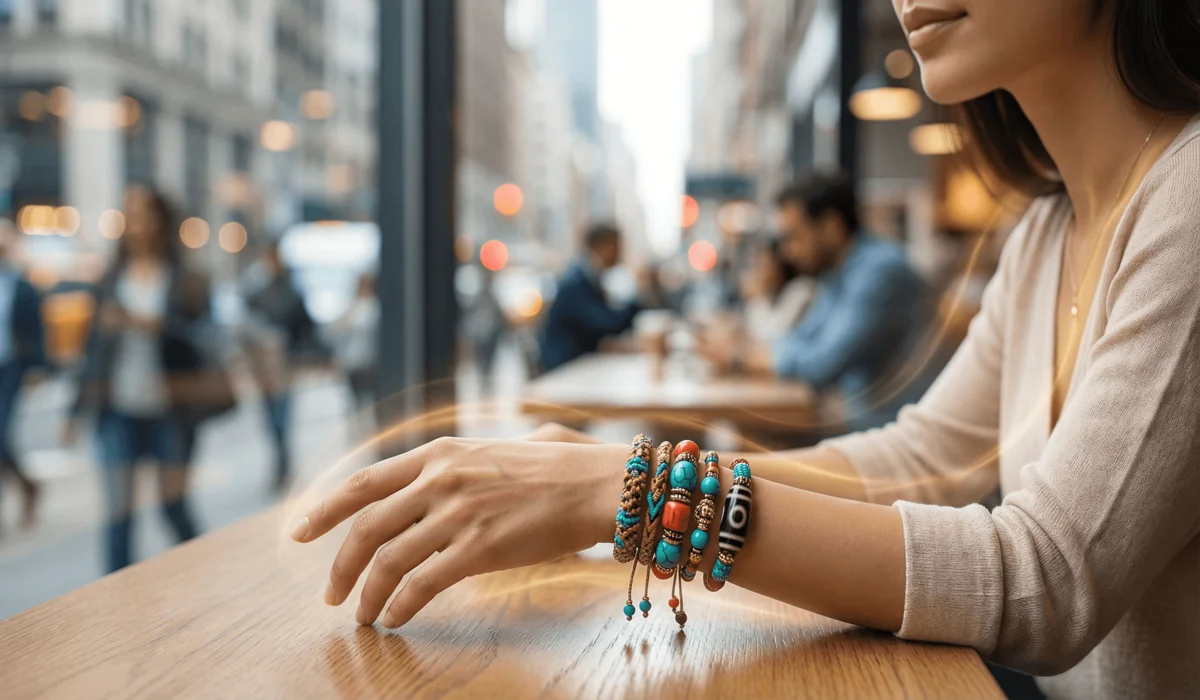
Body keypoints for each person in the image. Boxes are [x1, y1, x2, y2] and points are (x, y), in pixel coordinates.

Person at [292, 1, 1200, 697]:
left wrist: (633, 496)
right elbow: (921, 460)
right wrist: (626, 478)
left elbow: (1045, 582)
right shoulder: (1044, 230)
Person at [706, 173, 927, 431]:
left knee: (743, 438)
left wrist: (740, 356)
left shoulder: (880, 271)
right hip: (853, 416)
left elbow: (822, 365)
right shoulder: (838, 273)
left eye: (794, 237)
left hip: (885, 426)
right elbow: (800, 339)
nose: (787, 252)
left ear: (831, 227)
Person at [67, 186, 208, 573]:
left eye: (143, 213)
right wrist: (75, 409)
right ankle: (116, 597)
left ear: (161, 220)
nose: (134, 222)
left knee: (173, 507)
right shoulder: (111, 278)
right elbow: (93, 350)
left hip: (170, 409)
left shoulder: (184, 278)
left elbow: (204, 337)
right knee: (118, 515)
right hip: (117, 408)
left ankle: (202, 575)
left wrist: (152, 324)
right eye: (128, 213)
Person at [242, 242, 317, 493]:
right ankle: (280, 463)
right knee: (270, 421)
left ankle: (283, 465)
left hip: (285, 366)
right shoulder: (258, 292)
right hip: (263, 368)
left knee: (281, 419)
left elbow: (306, 328)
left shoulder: (292, 293)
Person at [539, 223, 641, 372]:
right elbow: (605, 323)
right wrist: (637, 304)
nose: (620, 252)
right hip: (565, 367)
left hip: (578, 363)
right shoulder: (575, 283)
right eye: (616, 246)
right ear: (601, 246)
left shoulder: (589, 277)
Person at [0, 221, 47, 532]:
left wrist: (37, 367)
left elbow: (35, 330)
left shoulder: (21, 285)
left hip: (9, 366)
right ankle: (27, 484)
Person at [332, 273, 379, 411]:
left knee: (368, 400)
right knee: (355, 402)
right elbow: (338, 331)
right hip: (353, 362)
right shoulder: (354, 306)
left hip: (367, 361)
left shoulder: (372, 307)